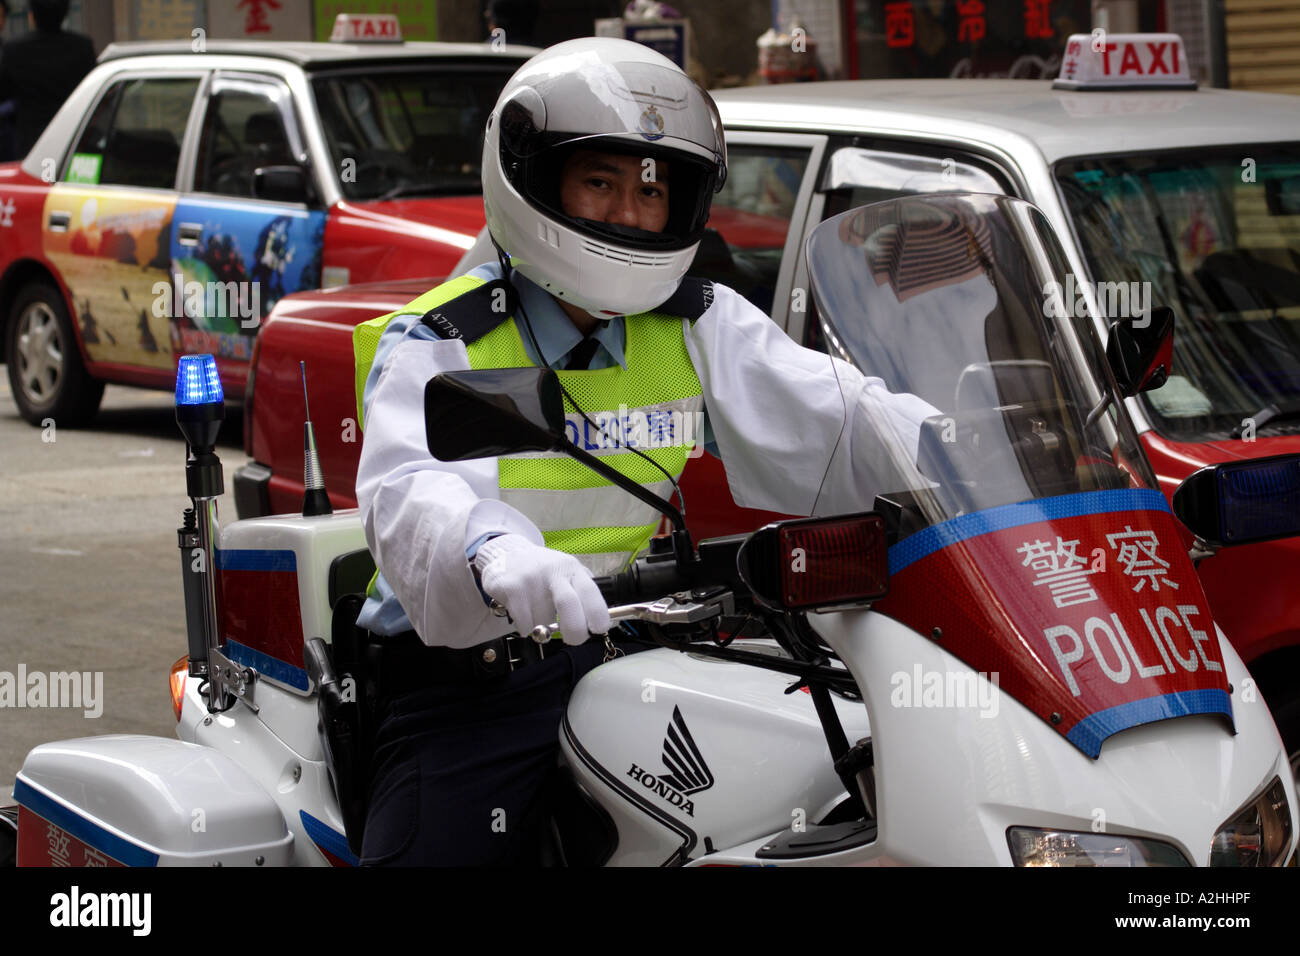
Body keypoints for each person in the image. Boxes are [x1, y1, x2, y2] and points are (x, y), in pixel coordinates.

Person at [351, 37, 937, 866]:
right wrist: (492, 548)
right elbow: (410, 491)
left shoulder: (692, 320)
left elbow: (840, 415)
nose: (630, 213)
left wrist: (964, 451)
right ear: (533, 179)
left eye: (652, 189)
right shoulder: (446, 338)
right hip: (471, 675)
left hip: (630, 643)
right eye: (600, 182)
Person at [0, 0, 95, 157]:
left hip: (31, 143)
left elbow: (4, 91)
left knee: (40, 180)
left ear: (32, 15)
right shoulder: (82, 47)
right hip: (73, 138)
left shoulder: (14, 50)